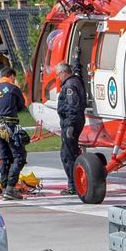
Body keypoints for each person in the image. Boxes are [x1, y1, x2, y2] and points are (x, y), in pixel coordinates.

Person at [0, 66, 27, 200]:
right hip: (10, 126)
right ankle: (11, 187)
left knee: (5, 159)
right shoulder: (13, 88)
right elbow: (22, 106)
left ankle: (4, 187)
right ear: (11, 76)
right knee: (19, 157)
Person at [55, 61, 86, 195]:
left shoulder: (69, 85)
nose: (58, 78)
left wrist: (70, 126)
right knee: (69, 153)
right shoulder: (75, 81)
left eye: (58, 75)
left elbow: (73, 106)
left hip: (70, 122)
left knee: (67, 155)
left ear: (63, 73)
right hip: (72, 121)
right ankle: (74, 184)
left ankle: (73, 185)